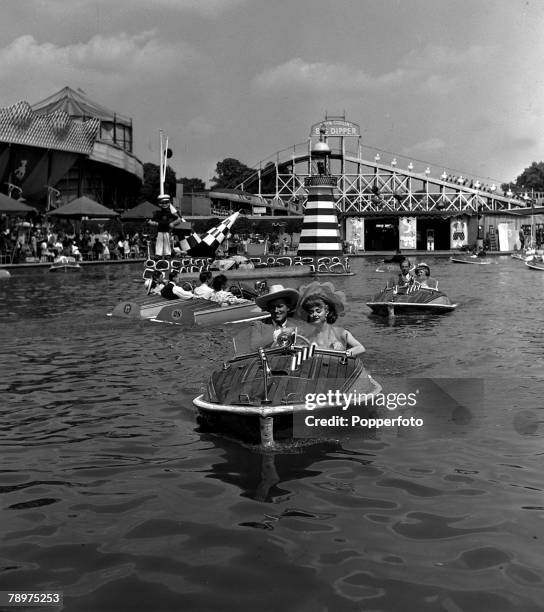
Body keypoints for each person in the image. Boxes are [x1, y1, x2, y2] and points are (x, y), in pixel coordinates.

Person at [297, 281, 365, 357]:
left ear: (327, 311)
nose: (314, 314)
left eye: (318, 311)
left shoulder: (341, 333)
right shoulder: (309, 337)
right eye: (311, 312)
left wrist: (344, 353)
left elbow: (361, 348)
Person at [245, 284, 300, 349]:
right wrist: (281, 334)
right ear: (268, 309)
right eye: (272, 307)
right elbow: (255, 347)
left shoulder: (297, 327)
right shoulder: (258, 326)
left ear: (288, 307)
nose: (276, 310)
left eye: (280, 306)